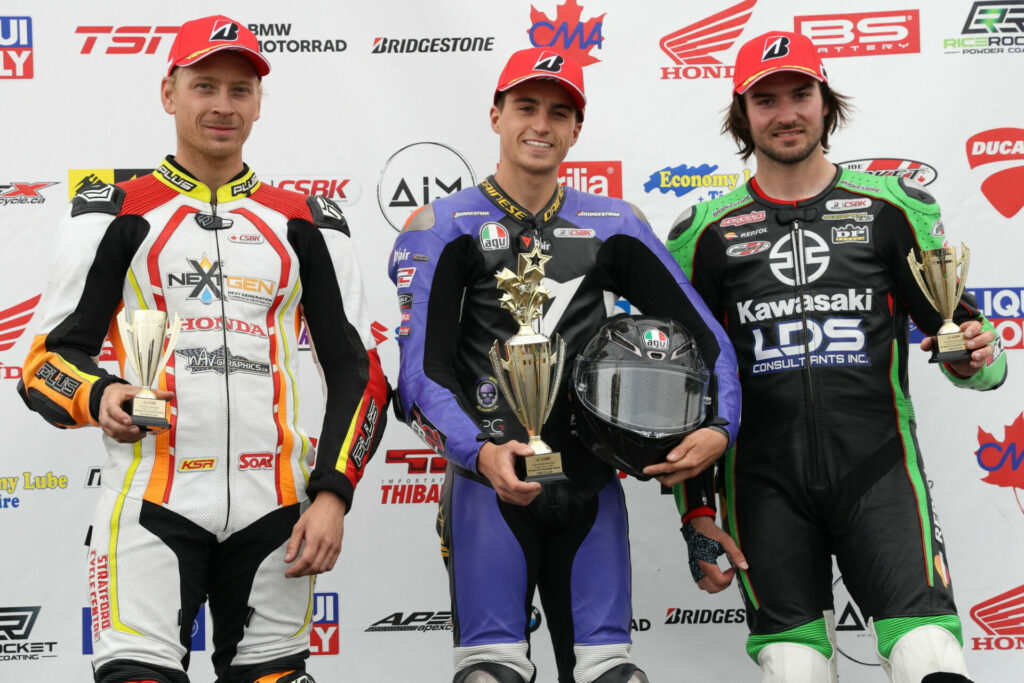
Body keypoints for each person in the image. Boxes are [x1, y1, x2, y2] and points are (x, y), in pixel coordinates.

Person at [17, 15, 388, 683]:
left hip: (278, 508)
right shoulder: (112, 212)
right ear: (170, 92)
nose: (223, 106)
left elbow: (358, 374)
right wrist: (102, 394)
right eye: (204, 86)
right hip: (150, 504)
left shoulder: (305, 222)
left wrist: (332, 493)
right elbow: (43, 363)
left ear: (258, 103)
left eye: (240, 90)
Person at [388, 47, 741, 683]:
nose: (541, 125)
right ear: (496, 115)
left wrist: (721, 426)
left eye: (560, 112)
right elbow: (419, 378)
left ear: (577, 129)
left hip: (590, 482)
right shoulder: (441, 223)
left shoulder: (614, 222)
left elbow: (707, 340)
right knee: (489, 675)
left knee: (613, 676)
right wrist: (477, 451)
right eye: (526, 107)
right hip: (487, 484)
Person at [665, 30, 1007, 683]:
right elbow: (690, 392)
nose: (786, 112)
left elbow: (972, 349)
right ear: (742, 112)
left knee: (929, 655)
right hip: (761, 485)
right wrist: (698, 515)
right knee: (793, 668)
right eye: (766, 99)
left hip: (880, 474)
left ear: (826, 101)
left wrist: (975, 356)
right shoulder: (701, 234)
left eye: (801, 93)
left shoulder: (891, 208)